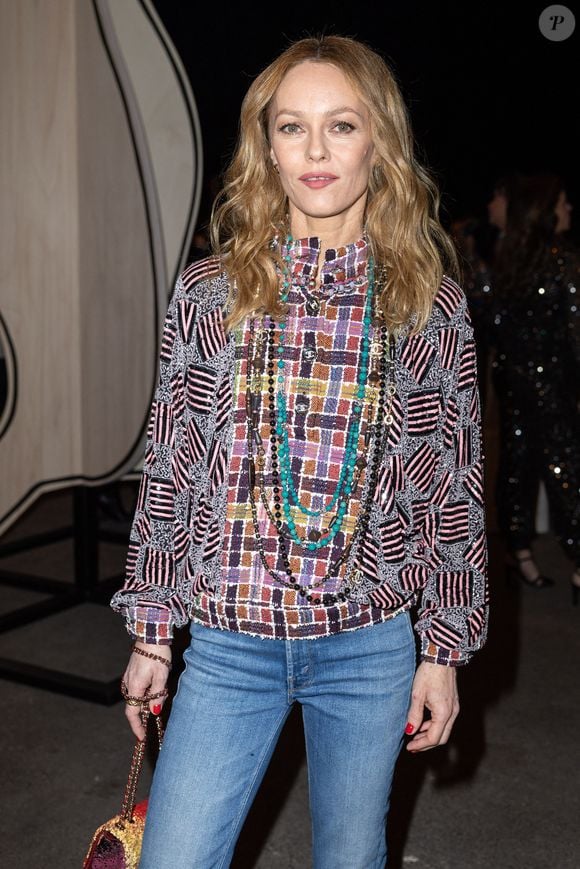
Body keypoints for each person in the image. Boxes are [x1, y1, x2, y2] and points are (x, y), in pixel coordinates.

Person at [111, 35, 488, 868]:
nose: (316, 150)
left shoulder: (430, 305)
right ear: (266, 147)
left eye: (342, 125)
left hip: (369, 642)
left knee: (351, 857)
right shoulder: (212, 293)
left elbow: (451, 488)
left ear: (379, 143)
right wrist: (150, 633)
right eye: (292, 127)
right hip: (229, 638)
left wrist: (444, 650)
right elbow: (171, 466)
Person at [491, 172, 580, 596]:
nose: (569, 209)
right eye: (562, 203)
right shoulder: (564, 260)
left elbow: (494, 327)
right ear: (546, 211)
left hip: (515, 385)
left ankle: (519, 553)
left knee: (519, 466)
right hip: (556, 388)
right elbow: (576, 332)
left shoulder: (509, 258)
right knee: (565, 471)